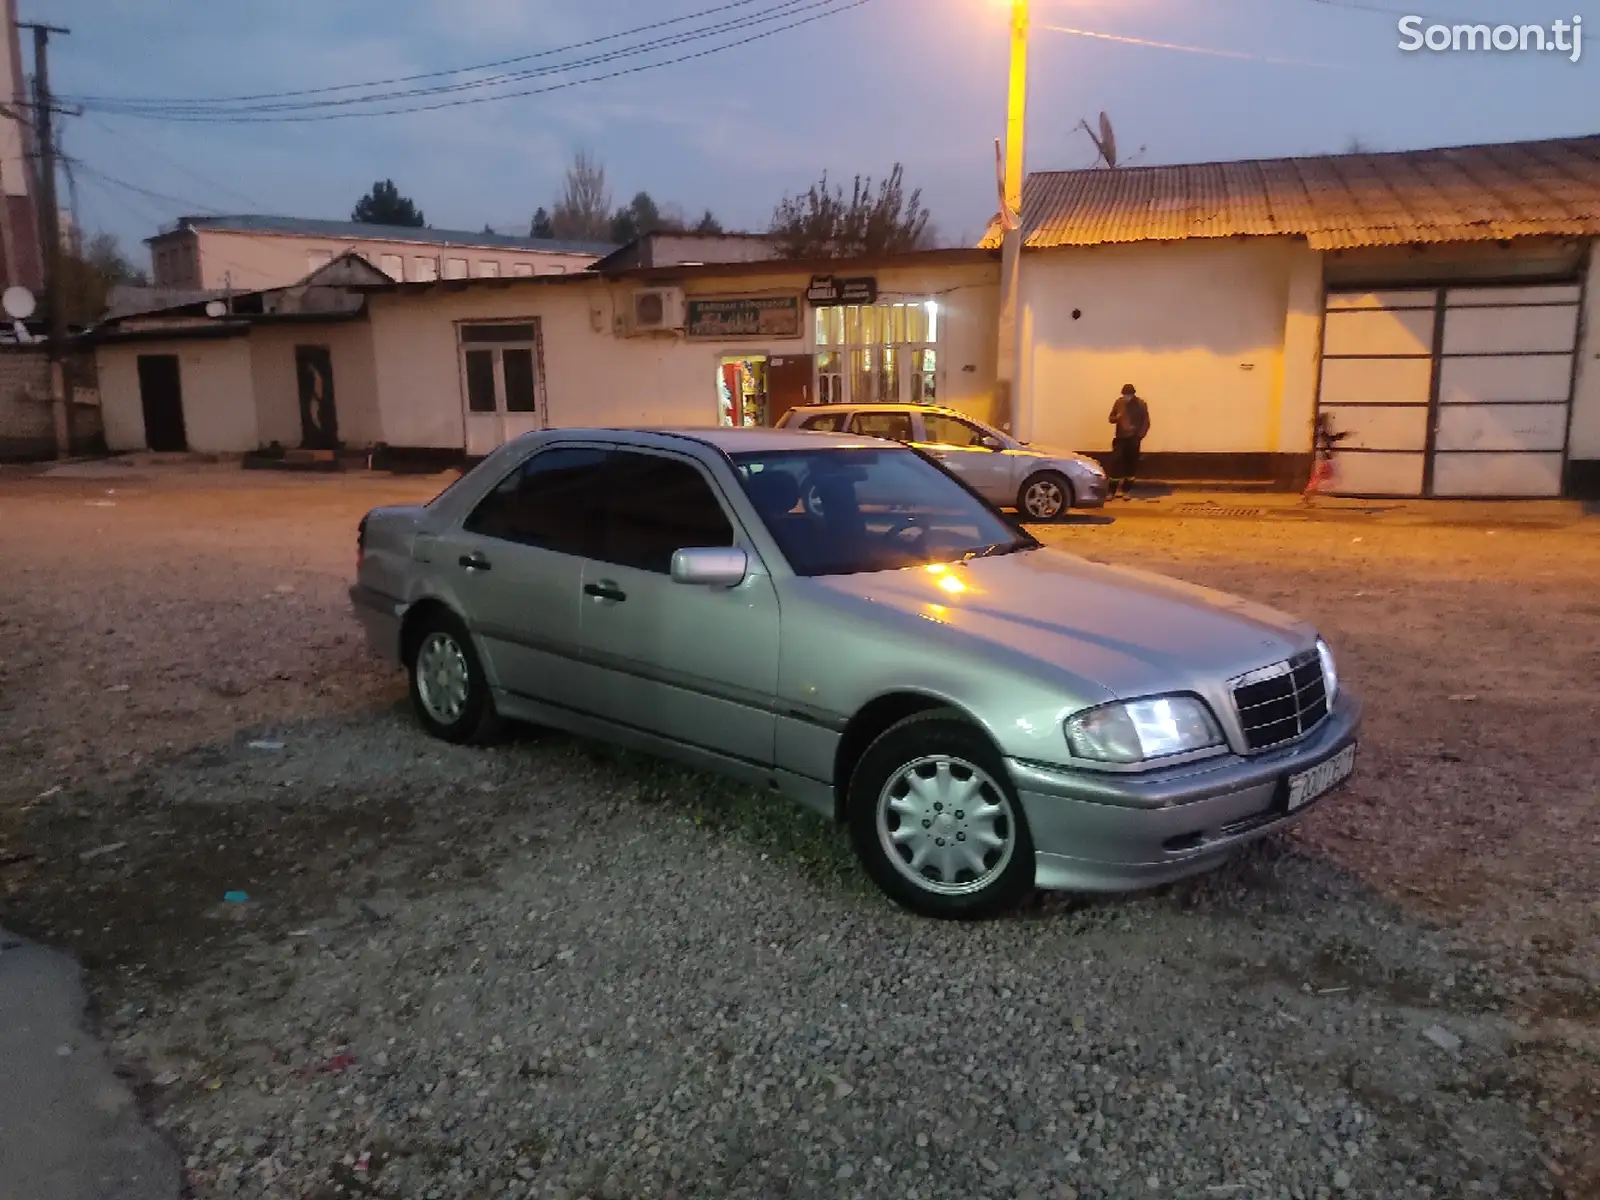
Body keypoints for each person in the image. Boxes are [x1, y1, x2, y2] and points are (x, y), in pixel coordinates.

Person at [1107, 384, 1150, 499]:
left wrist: (1139, 436)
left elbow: (1146, 422)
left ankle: (1126, 490)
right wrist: (1116, 418)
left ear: (1133, 395)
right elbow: (1110, 418)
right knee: (1116, 463)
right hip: (1120, 438)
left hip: (1133, 439)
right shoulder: (1119, 403)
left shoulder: (1141, 404)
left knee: (1130, 464)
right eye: (1124, 395)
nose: (1126, 397)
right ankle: (1112, 490)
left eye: (1128, 395)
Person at [1303, 411, 1350, 506]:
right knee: (1325, 479)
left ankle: (1306, 498)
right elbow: (1329, 439)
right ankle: (1306, 498)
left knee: (1319, 480)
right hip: (1324, 459)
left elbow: (1329, 439)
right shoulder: (1321, 432)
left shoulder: (1318, 432)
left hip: (1322, 459)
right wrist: (1342, 435)